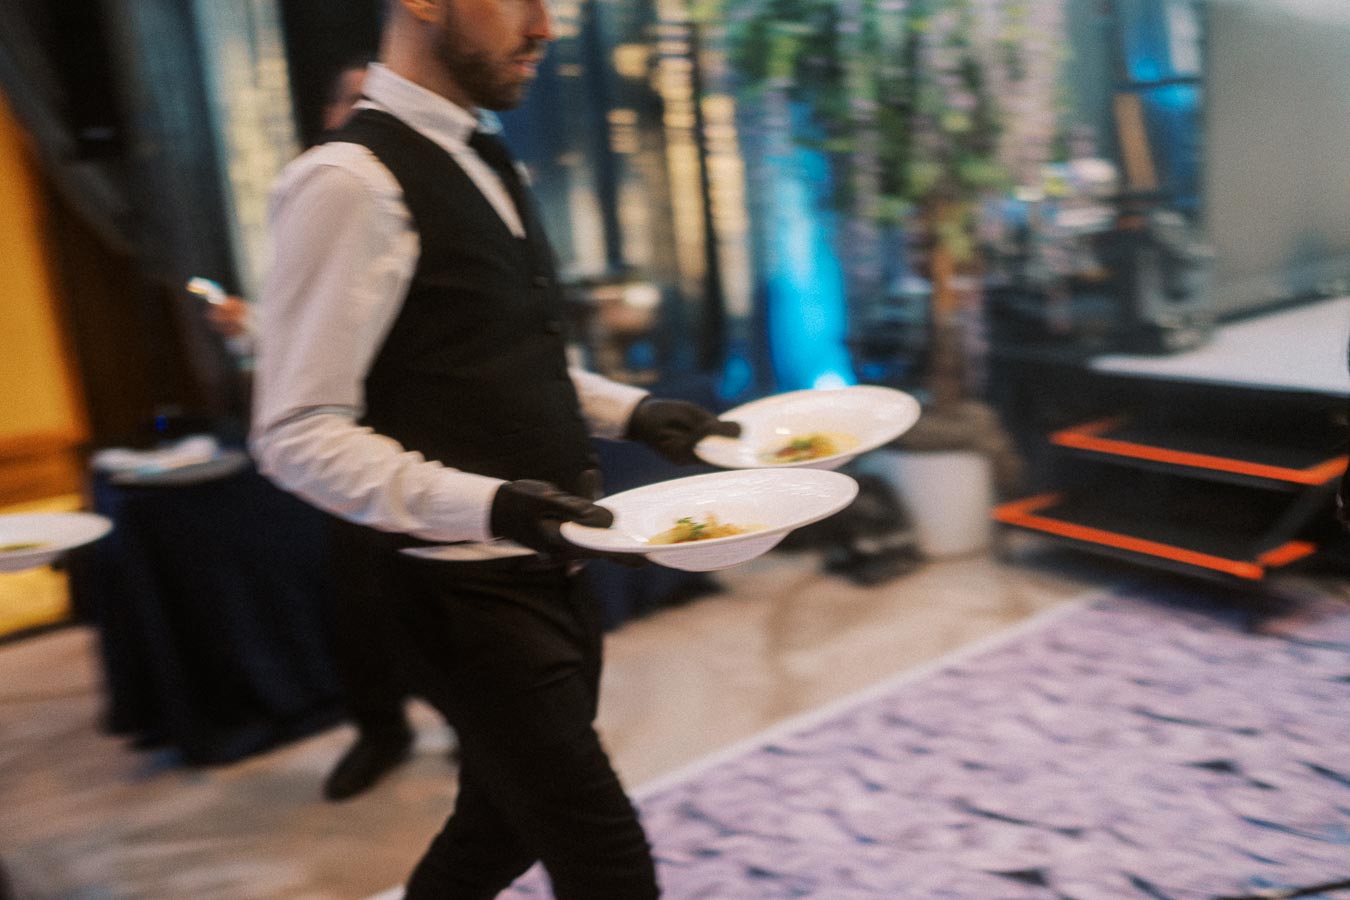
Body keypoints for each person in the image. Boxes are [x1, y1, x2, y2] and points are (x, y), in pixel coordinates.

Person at [250, 0, 737, 894]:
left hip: (553, 571)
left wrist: (636, 414)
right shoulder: (347, 181)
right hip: (457, 593)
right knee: (611, 867)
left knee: (497, 828)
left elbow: (504, 358)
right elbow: (293, 434)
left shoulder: (483, 153)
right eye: (524, 0)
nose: (548, 26)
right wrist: (493, 502)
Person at [201, 58, 447, 803]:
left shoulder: (424, 196)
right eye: (352, 101)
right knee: (359, 606)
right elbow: (318, 343)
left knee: (448, 600)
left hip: (431, 434)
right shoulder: (326, 194)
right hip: (345, 445)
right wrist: (252, 333)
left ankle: (474, 730)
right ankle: (381, 731)